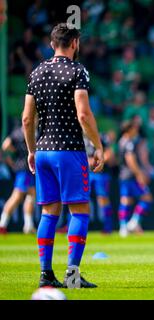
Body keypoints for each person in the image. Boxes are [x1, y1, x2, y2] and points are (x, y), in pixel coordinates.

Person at [22, 23, 104, 288]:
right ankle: (72, 276)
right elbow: (83, 113)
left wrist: (32, 150)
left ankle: (46, 274)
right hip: (68, 151)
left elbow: (26, 118)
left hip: (43, 151)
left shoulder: (36, 72)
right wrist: (98, 146)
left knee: (49, 214)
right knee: (79, 212)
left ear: (51, 44)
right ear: (74, 43)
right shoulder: (77, 71)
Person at [117, 120, 153, 238]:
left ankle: (123, 227)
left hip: (124, 175)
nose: (136, 130)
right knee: (147, 198)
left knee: (126, 200)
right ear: (129, 130)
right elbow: (130, 159)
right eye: (134, 128)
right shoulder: (129, 143)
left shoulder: (121, 141)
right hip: (131, 176)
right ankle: (133, 222)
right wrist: (139, 174)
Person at [0, 125, 36, 234]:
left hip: (27, 170)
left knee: (31, 195)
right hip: (24, 169)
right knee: (17, 197)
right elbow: (5, 145)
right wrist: (11, 158)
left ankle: (28, 225)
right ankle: (2, 224)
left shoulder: (18, 132)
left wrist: (12, 159)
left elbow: (5, 146)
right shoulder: (21, 133)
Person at [84, 133, 115, 234]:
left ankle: (108, 225)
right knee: (81, 199)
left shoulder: (101, 137)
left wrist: (98, 161)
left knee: (103, 199)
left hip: (101, 173)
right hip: (85, 173)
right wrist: (86, 161)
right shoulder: (78, 137)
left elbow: (109, 153)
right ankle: (77, 226)